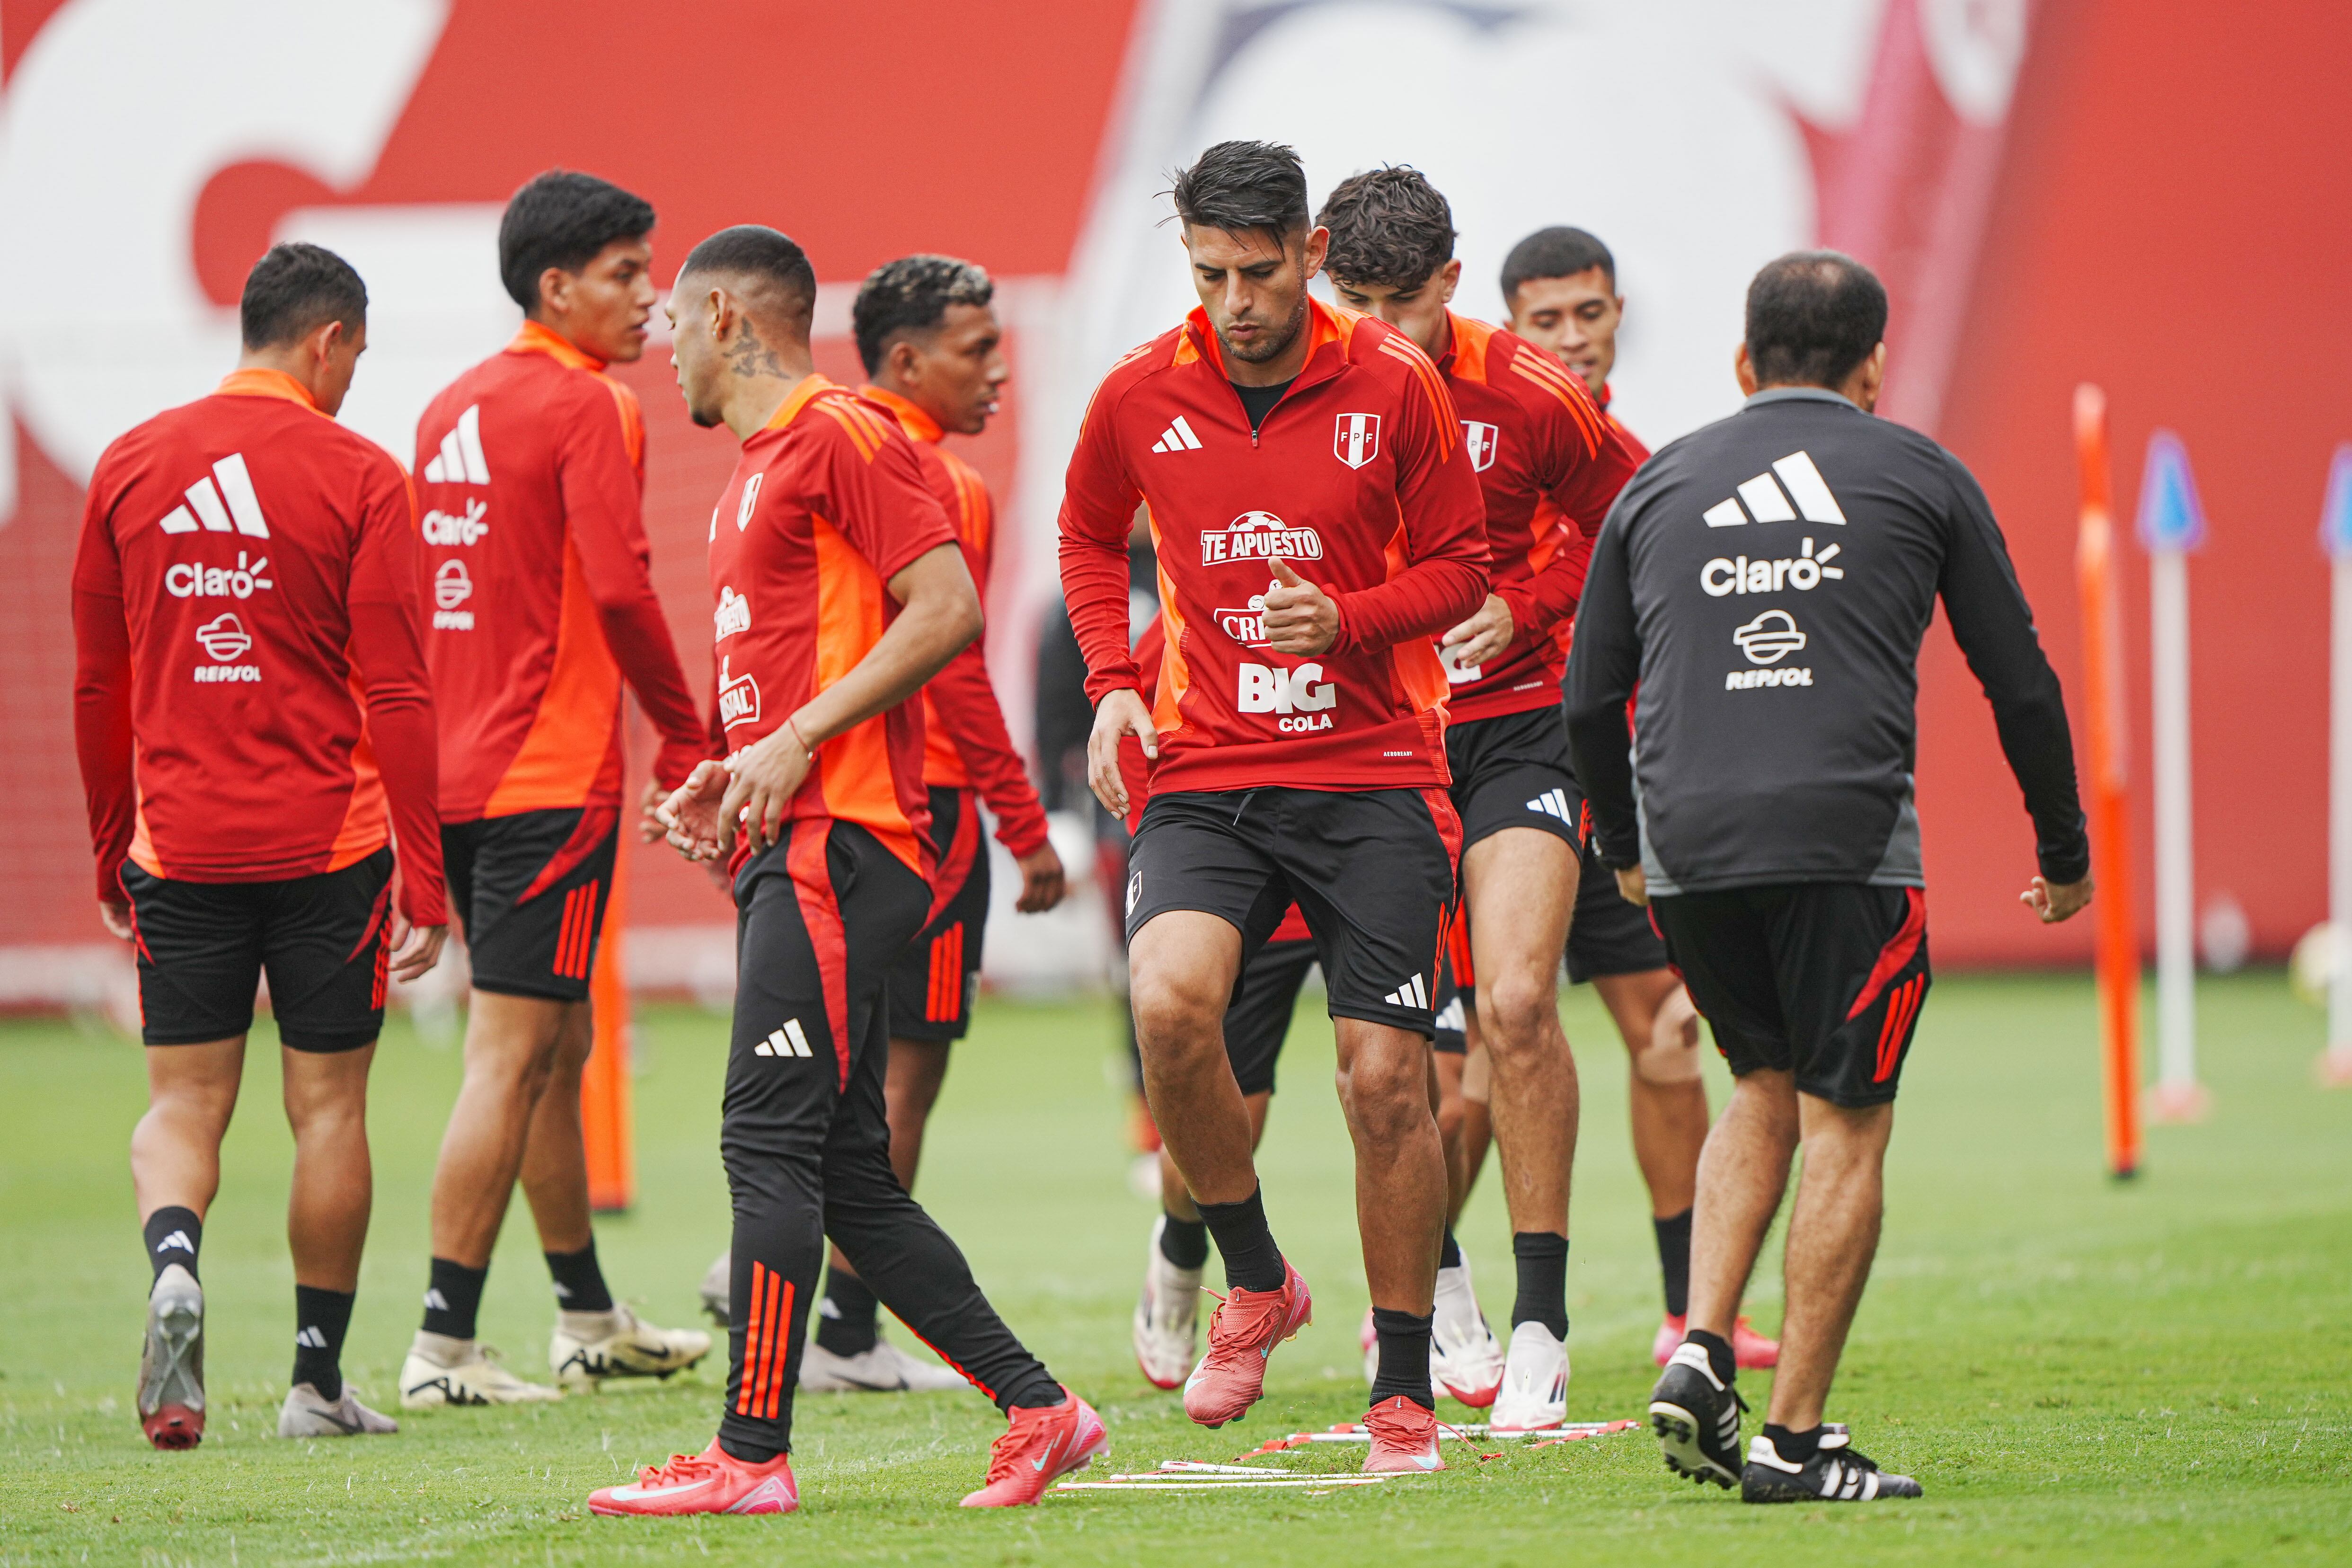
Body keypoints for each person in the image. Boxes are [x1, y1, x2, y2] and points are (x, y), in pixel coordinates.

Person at [591, 226, 1104, 1517]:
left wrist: (799, 742)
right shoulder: (752, 474)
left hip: (845, 848)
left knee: (764, 1144)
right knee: (847, 1175)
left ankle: (748, 1457)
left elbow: (947, 612)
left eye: (673, 326)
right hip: (804, 844)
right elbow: (799, 677)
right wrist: (730, 771)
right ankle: (1043, 1408)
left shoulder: (842, 435)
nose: (664, 352)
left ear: (722, 315)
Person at [1566, 250, 2093, 1503]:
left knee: (1761, 1081)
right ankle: (1793, 1444)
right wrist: (2062, 849)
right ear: (1873, 368)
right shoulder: (1920, 470)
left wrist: (1625, 849)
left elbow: (1588, 699)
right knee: (1844, 1121)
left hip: (1688, 850)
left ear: (1744, 363)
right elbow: (2019, 680)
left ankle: (1701, 1344)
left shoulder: (1657, 484)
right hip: (1844, 845)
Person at [1061, 140, 1489, 1473]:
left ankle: (1403, 1395)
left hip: (1373, 770)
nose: (1235, 302)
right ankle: (1254, 1277)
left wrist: (1346, 618)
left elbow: (1463, 566)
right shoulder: (1138, 392)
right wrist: (1112, 681)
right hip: (1209, 770)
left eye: (1256, 273)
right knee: (1166, 1005)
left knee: (1385, 1083)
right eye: (1209, 275)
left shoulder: (1398, 384)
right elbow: (1086, 535)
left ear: (1311, 254)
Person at [72, 242, 447, 1447]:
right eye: (357, 359)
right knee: (327, 1108)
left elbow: (97, 683)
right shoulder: (361, 474)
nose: (352, 382)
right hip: (331, 847)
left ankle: (176, 1263)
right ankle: (314, 1384)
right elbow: (400, 691)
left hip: (179, 846)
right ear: (328, 341)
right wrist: (428, 873)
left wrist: (110, 846)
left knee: (184, 1102)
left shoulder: (129, 462)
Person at [703, 255, 1072, 1391]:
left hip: (853, 817)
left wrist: (765, 753)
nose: (998, 371)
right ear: (907, 358)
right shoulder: (853, 462)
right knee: (865, 1117)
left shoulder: (830, 443)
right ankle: (872, 1335)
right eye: (978, 349)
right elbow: (915, 656)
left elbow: (929, 632)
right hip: (881, 816)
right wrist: (1019, 819)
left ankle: (789, 1383)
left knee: (810, 1131)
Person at [1317, 168, 1640, 1432]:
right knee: (1388, 1058)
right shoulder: (1290, 385)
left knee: (1514, 1002)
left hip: (1515, 725)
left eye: (1403, 303)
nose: (1379, 331)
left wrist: (1531, 604)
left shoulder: (1529, 388)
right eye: (1355, 302)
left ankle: (1541, 1326)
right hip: (1372, 740)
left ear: (1451, 282)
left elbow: (1624, 519)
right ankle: (1438, 1282)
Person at [400, 171, 713, 1410]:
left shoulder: (447, 407)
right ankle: (443, 1347)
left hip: (454, 774)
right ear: (555, 286)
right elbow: (624, 588)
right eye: (626, 274)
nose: (652, 298)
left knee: (556, 1042)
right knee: (511, 1053)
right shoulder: (591, 404)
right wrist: (687, 735)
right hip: (545, 777)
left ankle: (587, 1316)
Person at [1501, 223, 1779, 1371]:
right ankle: (1428, 1300)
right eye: (1546, 320)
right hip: (1491, 778)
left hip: (1611, 793)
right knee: (1470, 1057)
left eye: (1589, 313)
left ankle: (1686, 1307)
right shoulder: (1474, 452)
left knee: (1666, 1037)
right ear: (1507, 329)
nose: (1572, 337)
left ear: (1620, 316)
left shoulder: (1639, 467)